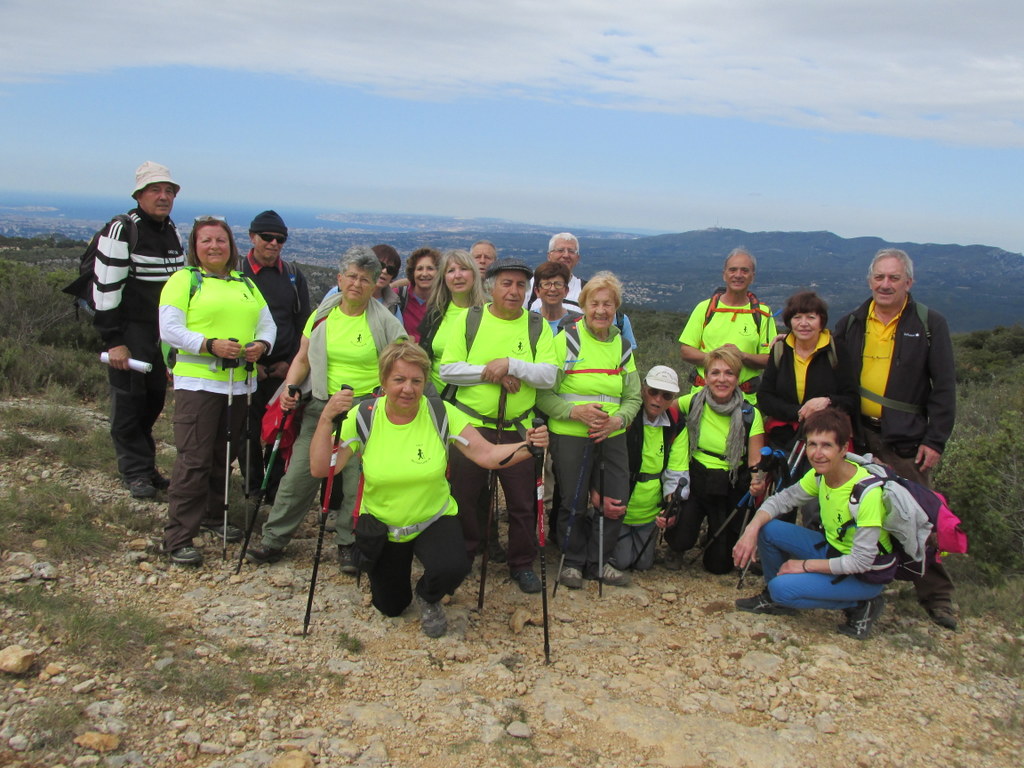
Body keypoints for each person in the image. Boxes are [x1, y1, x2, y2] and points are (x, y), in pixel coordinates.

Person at [310, 341, 548, 637]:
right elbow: (323, 469)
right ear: (383, 381)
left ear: (425, 382)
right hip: (385, 523)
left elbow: (486, 454)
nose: (407, 389)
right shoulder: (364, 415)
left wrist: (529, 447)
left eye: (416, 380)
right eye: (398, 380)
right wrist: (324, 420)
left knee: (454, 566)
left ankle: (429, 595)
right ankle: (392, 581)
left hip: (433, 518)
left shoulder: (440, 412)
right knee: (391, 606)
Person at [245, 246, 406, 569]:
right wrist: (290, 388)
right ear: (340, 278)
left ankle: (348, 543)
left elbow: (403, 366)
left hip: (366, 411)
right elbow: (302, 358)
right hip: (322, 406)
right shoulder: (322, 315)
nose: (357, 284)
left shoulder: (386, 323)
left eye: (365, 279)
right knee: (299, 475)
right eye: (352, 277)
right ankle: (273, 539)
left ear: (376, 284)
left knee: (355, 481)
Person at [834, 248, 958, 630]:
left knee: (920, 517)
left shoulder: (929, 324)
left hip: (906, 439)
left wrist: (935, 440)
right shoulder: (853, 322)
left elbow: (944, 387)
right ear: (870, 280)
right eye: (879, 277)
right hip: (860, 435)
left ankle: (937, 598)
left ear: (908, 282)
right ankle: (859, 590)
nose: (885, 284)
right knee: (856, 514)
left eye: (894, 278)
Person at [159, 217, 276, 565]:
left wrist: (261, 345)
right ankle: (179, 536)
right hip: (199, 384)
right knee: (194, 458)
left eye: (221, 240)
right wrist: (209, 344)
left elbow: (267, 323)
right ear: (195, 246)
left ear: (231, 246)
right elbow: (169, 328)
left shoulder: (246, 284)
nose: (214, 246)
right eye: (206, 240)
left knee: (223, 455)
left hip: (238, 384)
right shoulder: (184, 280)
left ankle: (213, 517)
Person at [440, 257, 559, 593]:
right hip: (471, 426)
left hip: (518, 428)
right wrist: (491, 373)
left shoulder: (536, 325)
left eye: (520, 285)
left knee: (523, 502)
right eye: (506, 283)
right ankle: (465, 554)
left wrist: (512, 364)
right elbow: (447, 369)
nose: (513, 290)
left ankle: (521, 563)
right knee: (464, 496)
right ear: (490, 286)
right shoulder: (470, 319)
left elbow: (549, 375)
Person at [732, 408, 890, 639]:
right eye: (812, 444)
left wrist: (804, 566)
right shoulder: (820, 476)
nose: (817, 453)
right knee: (768, 528)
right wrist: (751, 529)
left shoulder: (866, 493)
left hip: (865, 574)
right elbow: (780, 500)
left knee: (781, 589)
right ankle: (779, 599)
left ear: (844, 448)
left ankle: (862, 603)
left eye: (827, 445)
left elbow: (862, 561)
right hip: (834, 550)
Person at [536, 272, 641, 589]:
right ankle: (573, 561)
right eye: (594, 303)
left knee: (615, 500)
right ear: (583, 306)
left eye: (608, 304)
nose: (601, 310)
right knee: (574, 500)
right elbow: (543, 393)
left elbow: (633, 396)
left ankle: (601, 561)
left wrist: (616, 421)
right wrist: (575, 412)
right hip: (570, 434)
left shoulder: (622, 347)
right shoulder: (566, 340)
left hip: (612, 434)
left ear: (616, 308)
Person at [92, 161, 185, 499]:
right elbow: (105, 291)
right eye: (155, 190)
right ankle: (134, 473)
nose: (163, 197)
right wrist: (114, 341)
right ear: (139, 195)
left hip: (159, 337)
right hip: (129, 332)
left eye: (169, 191)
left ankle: (145, 468)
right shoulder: (123, 229)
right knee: (129, 403)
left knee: (152, 401)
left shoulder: (171, 231)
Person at [661, 347, 767, 574]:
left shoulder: (750, 414)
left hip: (729, 481)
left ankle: (710, 537)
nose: (722, 379)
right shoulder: (691, 402)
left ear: (737, 378)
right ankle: (678, 544)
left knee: (719, 566)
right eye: (715, 373)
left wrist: (758, 480)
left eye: (729, 373)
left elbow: (755, 459)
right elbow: (663, 410)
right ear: (706, 377)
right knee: (680, 539)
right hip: (695, 476)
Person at [237, 211, 311, 504]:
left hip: (284, 369)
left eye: (280, 239)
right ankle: (253, 486)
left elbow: (302, 322)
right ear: (252, 237)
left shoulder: (293, 275)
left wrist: (291, 364)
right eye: (267, 237)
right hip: (246, 367)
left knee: (281, 428)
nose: (273, 243)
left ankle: (274, 488)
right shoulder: (237, 272)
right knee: (248, 431)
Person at [757, 291, 858, 453]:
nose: (803, 323)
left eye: (811, 317)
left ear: (821, 322)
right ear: (789, 322)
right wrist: (799, 412)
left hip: (827, 440)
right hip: (785, 440)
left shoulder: (836, 350)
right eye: (797, 317)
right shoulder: (781, 350)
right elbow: (765, 397)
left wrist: (827, 402)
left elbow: (851, 399)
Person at [611, 366, 687, 573]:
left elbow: (677, 471)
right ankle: (595, 523)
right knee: (621, 562)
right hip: (620, 510)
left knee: (643, 564)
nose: (658, 399)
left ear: (673, 399)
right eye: (653, 391)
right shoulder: (625, 418)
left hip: (649, 514)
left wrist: (672, 506)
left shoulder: (677, 424)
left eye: (666, 395)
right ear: (643, 389)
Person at [678, 248, 777, 401]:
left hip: (745, 400)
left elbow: (771, 359)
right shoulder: (704, 308)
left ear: (752, 277)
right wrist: (719, 358)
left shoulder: (763, 314)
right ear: (724, 274)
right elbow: (686, 351)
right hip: (703, 396)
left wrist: (743, 356)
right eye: (733, 270)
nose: (738, 275)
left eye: (744, 271)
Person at [419, 249, 485, 392]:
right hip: (435, 397)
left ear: (474, 274)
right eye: (450, 271)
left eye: (463, 269)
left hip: (474, 398)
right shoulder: (436, 313)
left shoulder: (490, 312)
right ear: (444, 278)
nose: (457, 275)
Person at [397, 247, 439, 342]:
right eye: (419, 269)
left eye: (430, 269)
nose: (424, 274)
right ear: (413, 273)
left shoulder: (445, 302)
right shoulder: (400, 296)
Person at [533, 261, 581, 335]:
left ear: (566, 291)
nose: (553, 289)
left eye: (558, 284)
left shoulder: (578, 322)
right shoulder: (528, 321)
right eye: (546, 284)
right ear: (537, 291)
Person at [371, 243, 403, 317]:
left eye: (391, 269)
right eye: (380, 265)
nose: (384, 271)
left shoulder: (393, 308)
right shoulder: (344, 294)